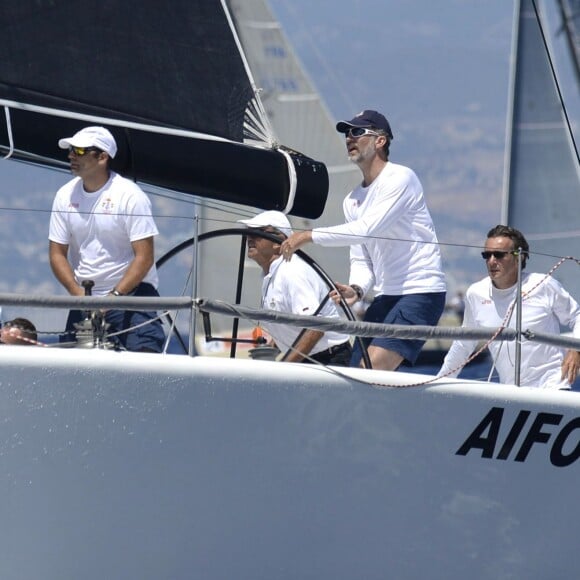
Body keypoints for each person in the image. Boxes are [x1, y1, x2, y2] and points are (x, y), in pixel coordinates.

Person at [280, 109, 446, 370]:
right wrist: (357, 288)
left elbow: (366, 229)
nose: (349, 138)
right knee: (353, 372)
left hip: (420, 291)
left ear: (380, 141)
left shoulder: (401, 178)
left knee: (369, 373)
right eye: (347, 133)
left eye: (357, 132)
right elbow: (361, 255)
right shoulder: (352, 200)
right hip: (385, 296)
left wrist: (308, 235)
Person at [48, 126, 165, 352]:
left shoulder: (130, 196)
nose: (71, 155)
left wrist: (113, 298)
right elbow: (56, 254)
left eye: (80, 151)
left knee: (142, 369)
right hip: (84, 299)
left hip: (132, 296)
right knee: (73, 376)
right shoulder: (64, 195)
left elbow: (145, 256)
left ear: (102, 157)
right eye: (71, 150)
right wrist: (79, 296)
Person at [438, 225, 580, 389]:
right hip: (511, 392)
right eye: (487, 255)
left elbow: (577, 316)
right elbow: (464, 344)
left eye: (498, 255)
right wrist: (439, 383)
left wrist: (576, 349)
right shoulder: (476, 293)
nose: (492, 261)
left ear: (519, 258)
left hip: (553, 385)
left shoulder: (543, 285)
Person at [239, 210, 352, 365]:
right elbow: (293, 329)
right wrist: (271, 349)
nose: (249, 238)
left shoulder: (291, 271)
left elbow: (316, 328)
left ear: (277, 240)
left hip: (330, 361)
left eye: (257, 232)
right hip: (311, 359)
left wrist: (286, 366)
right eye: (248, 233)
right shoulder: (274, 274)